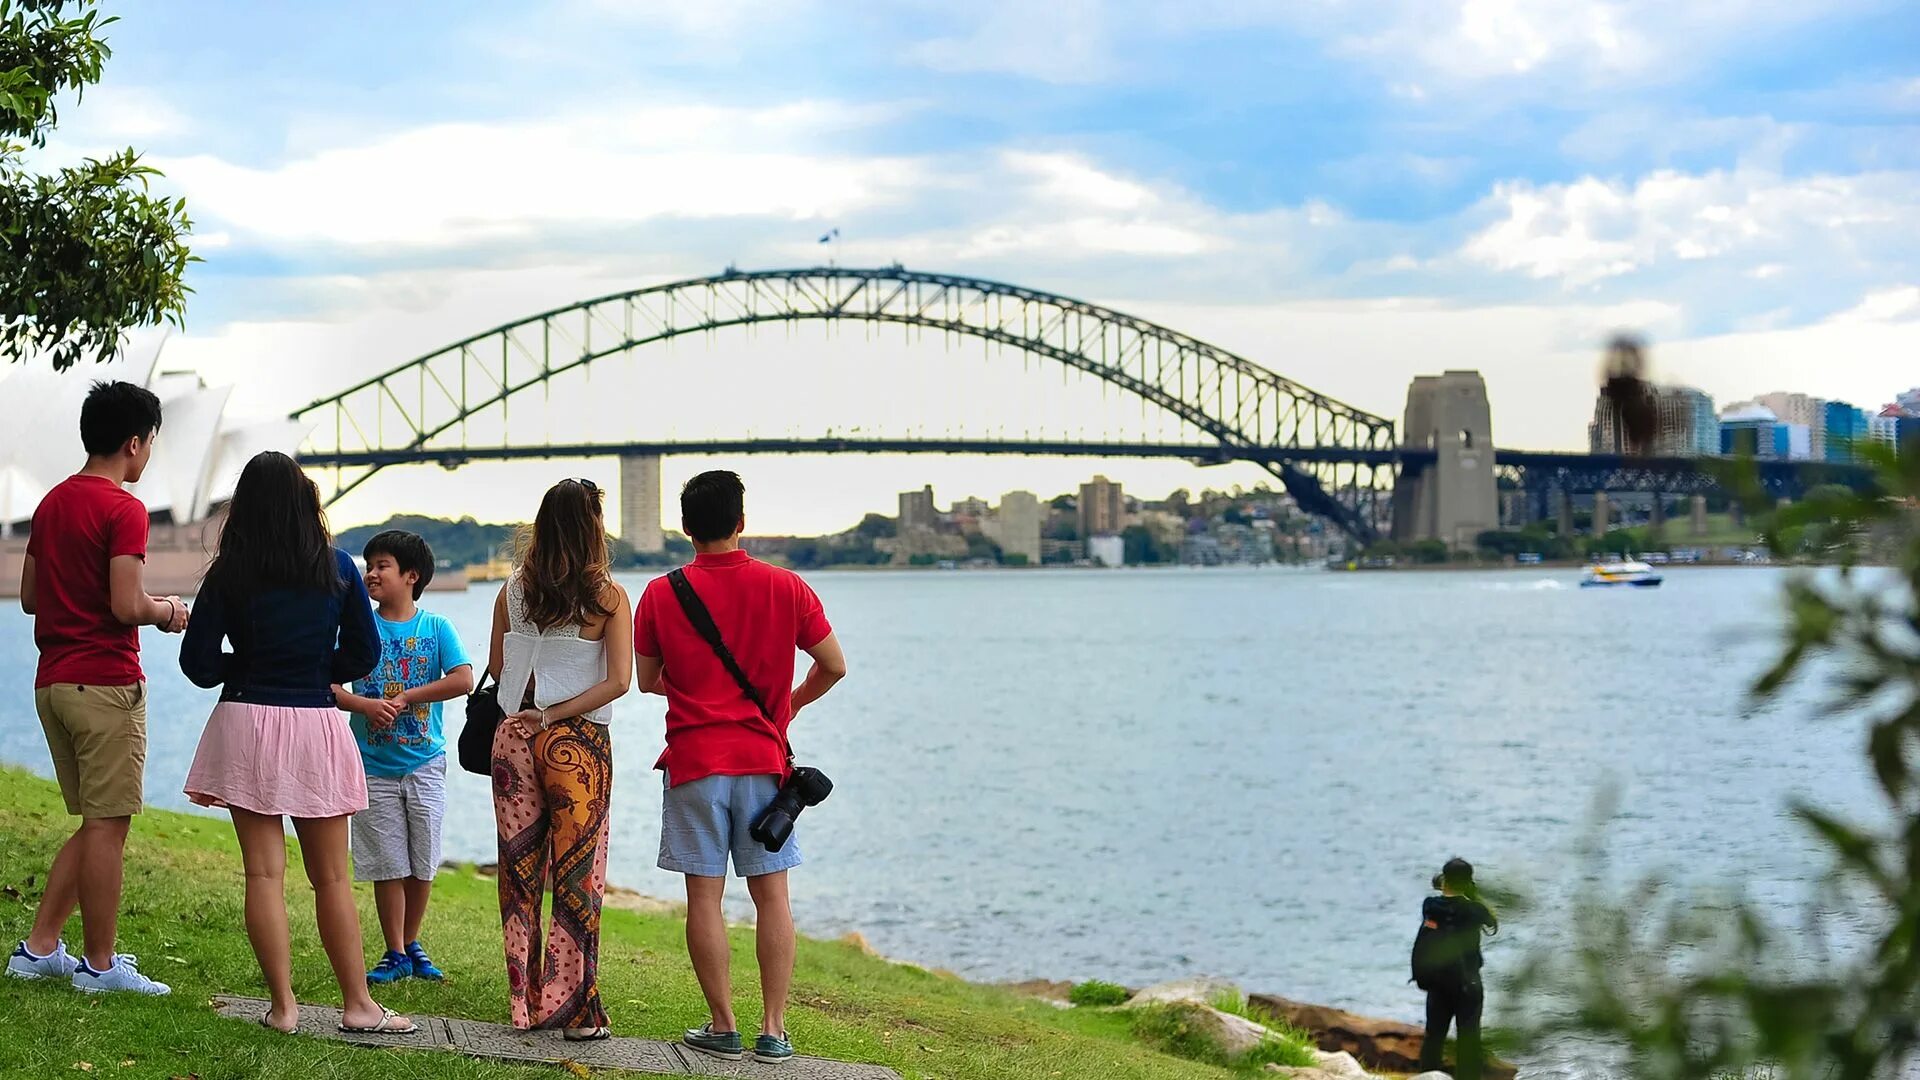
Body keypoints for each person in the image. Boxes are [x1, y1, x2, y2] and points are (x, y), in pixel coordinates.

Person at [179, 451, 415, 1036]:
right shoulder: (336, 567)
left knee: (262, 874)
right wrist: (314, 667)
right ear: (307, 502)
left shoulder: (229, 571)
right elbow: (364, 654)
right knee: (331, 877)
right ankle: (359, 1005)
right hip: (314, 719)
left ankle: (283, 1008)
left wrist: (249, 662)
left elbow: (198, 663)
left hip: (245, 719)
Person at [635, 470, 847, 1065]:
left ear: (685, 528)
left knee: (704, 898)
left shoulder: (659, 594)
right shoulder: (787, 587)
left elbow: (649, 681)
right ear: (741, 522)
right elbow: (833, 665)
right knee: (772, 896)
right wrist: (789, 706)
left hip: (695, 762)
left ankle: (723, 1025)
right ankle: (773, 1030)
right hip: (763, 764)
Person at [8, 381, 185, 994]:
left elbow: (30, 597)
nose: (149, 455)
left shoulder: (52, 502)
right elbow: (124, 603)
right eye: (151, 444)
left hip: (52, 684)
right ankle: (101, 967)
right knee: (109, 827)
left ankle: (38, 949)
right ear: (135, 442)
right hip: (106, 683)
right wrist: (167, 611)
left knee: (94, 824)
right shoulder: (123, 508)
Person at [487, 478, 632, 1040]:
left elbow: (500, 666)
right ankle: (573, 1013)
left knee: (519, 872)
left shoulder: (511, 592)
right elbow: (619, 682)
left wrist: (530, 711)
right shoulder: (608, 598)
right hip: (578, 746)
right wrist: (555, 715)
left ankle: (523, 1005)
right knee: (578, 876)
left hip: (513, 737)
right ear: (593, 527)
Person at [332, 530, 473, 985]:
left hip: (425, 761)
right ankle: (394, 950)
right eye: (368, 565)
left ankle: (411, 943)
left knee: (422, 858)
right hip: (372, 764)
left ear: (411, 576)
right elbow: (330, 686)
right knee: (385, 862)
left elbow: (463, 679)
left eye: (382, 566)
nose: (371, 573)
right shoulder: (359, 629)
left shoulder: (436, 628)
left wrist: (407, 696)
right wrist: (366, 706)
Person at [1414, 858, 1498, 1080]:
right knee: (1469, 1041)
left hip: (1438, 983)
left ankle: (1427, 1077)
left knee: (1434, 1038)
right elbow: (1490, 921)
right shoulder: (1475, 910)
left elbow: (1443, 903)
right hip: (1468, 983)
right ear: (1468, 882)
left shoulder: (1430, 906)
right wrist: (1472, 893)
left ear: (1445, 879)